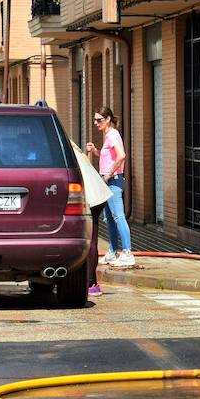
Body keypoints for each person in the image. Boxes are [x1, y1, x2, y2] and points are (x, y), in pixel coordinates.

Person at [85, 106, 135, 269]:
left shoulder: (113, 135)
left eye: (99, 120)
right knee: (110, 219)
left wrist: (108, 175)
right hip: (106, 181)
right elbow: (109, 157)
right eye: (95, 120)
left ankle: (127, 253)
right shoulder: (108, 136)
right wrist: (95, 151)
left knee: (118, 216)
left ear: (107, 120)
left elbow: (121, 156)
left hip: (113, 181)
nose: (96, 123)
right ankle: (113, 251)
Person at [70, 139, 113, 297]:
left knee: (90, 240)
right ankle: (92, 282)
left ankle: (90, 283)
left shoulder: (63, 149)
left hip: (92, 197)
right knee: (91, 239)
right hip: (96, 193)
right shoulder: (71, 146)